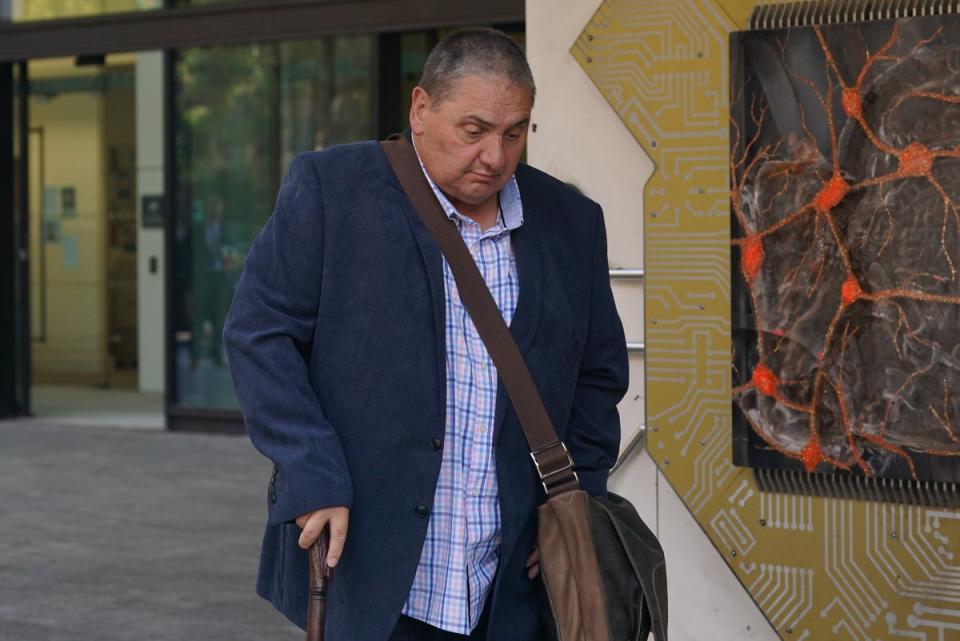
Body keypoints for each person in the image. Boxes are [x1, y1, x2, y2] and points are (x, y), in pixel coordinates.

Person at [223, 27, 628, 641]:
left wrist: (577, 501)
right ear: (420, 109)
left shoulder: (571, 222)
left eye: (514, 133)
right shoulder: (332, 190)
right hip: (368, 569)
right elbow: (258, 334)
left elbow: (598, 375)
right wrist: (309, 468)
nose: (495, 156)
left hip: (510, 586)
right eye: (474, 130)